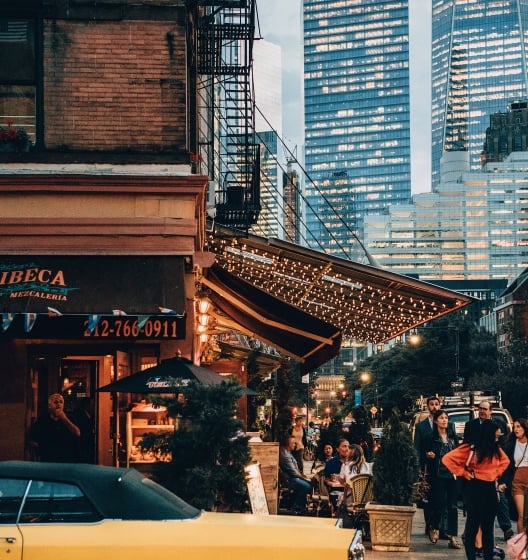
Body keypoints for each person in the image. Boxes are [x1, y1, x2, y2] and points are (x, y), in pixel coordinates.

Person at [442, 419, 510, 560]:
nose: (497, 437)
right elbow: (447, 459)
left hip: (486, 488)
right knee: (475, 527)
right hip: (476, 487)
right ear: (489, 434)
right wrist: (463, 472)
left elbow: (506, 461)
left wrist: (495, 473)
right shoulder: (470, 447)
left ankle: (485, 557)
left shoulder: (495, 448)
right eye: (496, 435)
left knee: (486, 527)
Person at [464, 400, 514, 542]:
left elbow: (502, 450)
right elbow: (467, 445)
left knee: (499, 497)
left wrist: (501, 477)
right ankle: (473, 535)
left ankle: (506, 528)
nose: (482, 411)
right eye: (480, 408)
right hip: (476, 470)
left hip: (493, 469)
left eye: (485, 409)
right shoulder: (471, 425)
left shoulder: (497, 425)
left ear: (491, 411)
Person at [424, 409, 462, 549]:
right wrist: (429, 456)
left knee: (453, 507)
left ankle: (453, 537)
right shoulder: (431, 437)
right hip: (438, 475)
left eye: (446, 418)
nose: (444, 420)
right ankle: (434, 526)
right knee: (439, 504)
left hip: (452, 475)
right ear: (435, 421)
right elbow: (424, 454)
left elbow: (457, 453)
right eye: (441, 418)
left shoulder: (452, 436)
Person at [414, 396, 443, 534]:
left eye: (437, 404)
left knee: (442, 498)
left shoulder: (445, 424)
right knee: (427, 497)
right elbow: (417, 448)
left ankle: (440, 526)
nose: (434, 407)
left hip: (442, 467)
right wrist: (419, 467)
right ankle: (429, 524)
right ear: (427, 406)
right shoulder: (421, 426)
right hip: (427, 467)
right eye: (432, 404)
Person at [29, 393, 81, 463]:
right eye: (56, 402)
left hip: (67, 459)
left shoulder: (70, 418)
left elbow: (77, 433)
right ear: (50, 405)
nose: (59, 404)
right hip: (48, 459)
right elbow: (32, 439)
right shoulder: (43, 420)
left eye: (61, 402)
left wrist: (64, 418)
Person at [504, 418, 528, 534]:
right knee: (521, 514)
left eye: (518, 427)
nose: (516, 429)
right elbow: (507, 465)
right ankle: (521, 546)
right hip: (517, 481)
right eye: (514, 427)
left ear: (524, 428)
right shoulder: (511, 445)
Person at [279, 434, 312, 514]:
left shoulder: (288, 452)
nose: (295, 444)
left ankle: (297, 505)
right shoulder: (284, 454)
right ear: (288, 443)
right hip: (289, 479)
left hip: (293, 477)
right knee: (307, 486)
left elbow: (296, 467)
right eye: (293, 443)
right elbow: (293, 472)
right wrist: (304, 478)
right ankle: (297, 507)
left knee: (309, 484)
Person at [73, 397, 96, 463]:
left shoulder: (90, 417)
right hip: (83, 451)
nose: (94, 407)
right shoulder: (80, 416)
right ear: (87, 405)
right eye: (93, 405)